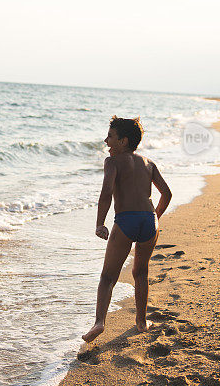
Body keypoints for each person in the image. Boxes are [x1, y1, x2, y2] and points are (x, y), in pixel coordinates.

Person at [82, 117, 172, 342]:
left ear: (123, 141)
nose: (106, 141)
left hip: (126, 221)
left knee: (107, 277)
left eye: (110, 136)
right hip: (149, 222)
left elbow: (106, 193)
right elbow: (166, 194)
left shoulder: (112, 162)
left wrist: (100, 223)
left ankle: (99, 323)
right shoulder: (149, 163)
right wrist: (155, 218)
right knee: (140, 273)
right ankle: (141, 322)